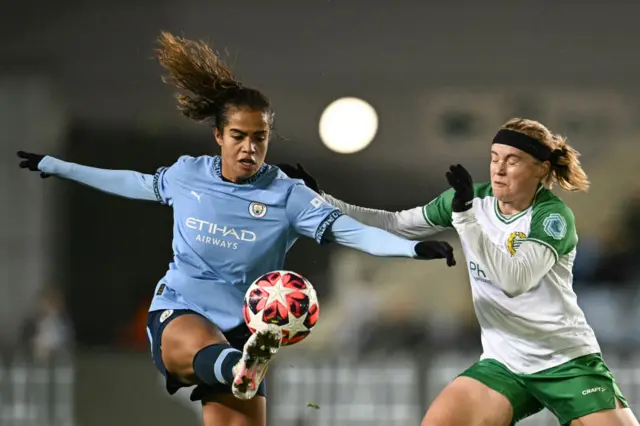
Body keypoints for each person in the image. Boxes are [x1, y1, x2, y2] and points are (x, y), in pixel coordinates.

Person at [16, 32, 456, 426]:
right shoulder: (188, 175)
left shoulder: (288, 195)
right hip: (182, 309)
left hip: (246, 331)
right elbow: (132, 182)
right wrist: (57, 165)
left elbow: (350, 230)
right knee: (197, 344)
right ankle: (235, 369)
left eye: (260, 137)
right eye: (239, 136)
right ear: (218, 136)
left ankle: (238, 367)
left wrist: (412, 250)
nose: (250, 148)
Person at [279, 118, 639, 426]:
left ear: (541, 169)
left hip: (565, 361)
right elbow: (395, 223)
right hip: (505, 364)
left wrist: (466, 219)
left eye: (513, 160)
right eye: (495, 158)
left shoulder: (552, 217)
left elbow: (514, 281)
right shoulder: (474, 201)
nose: (499, 169)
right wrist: (323, 199)